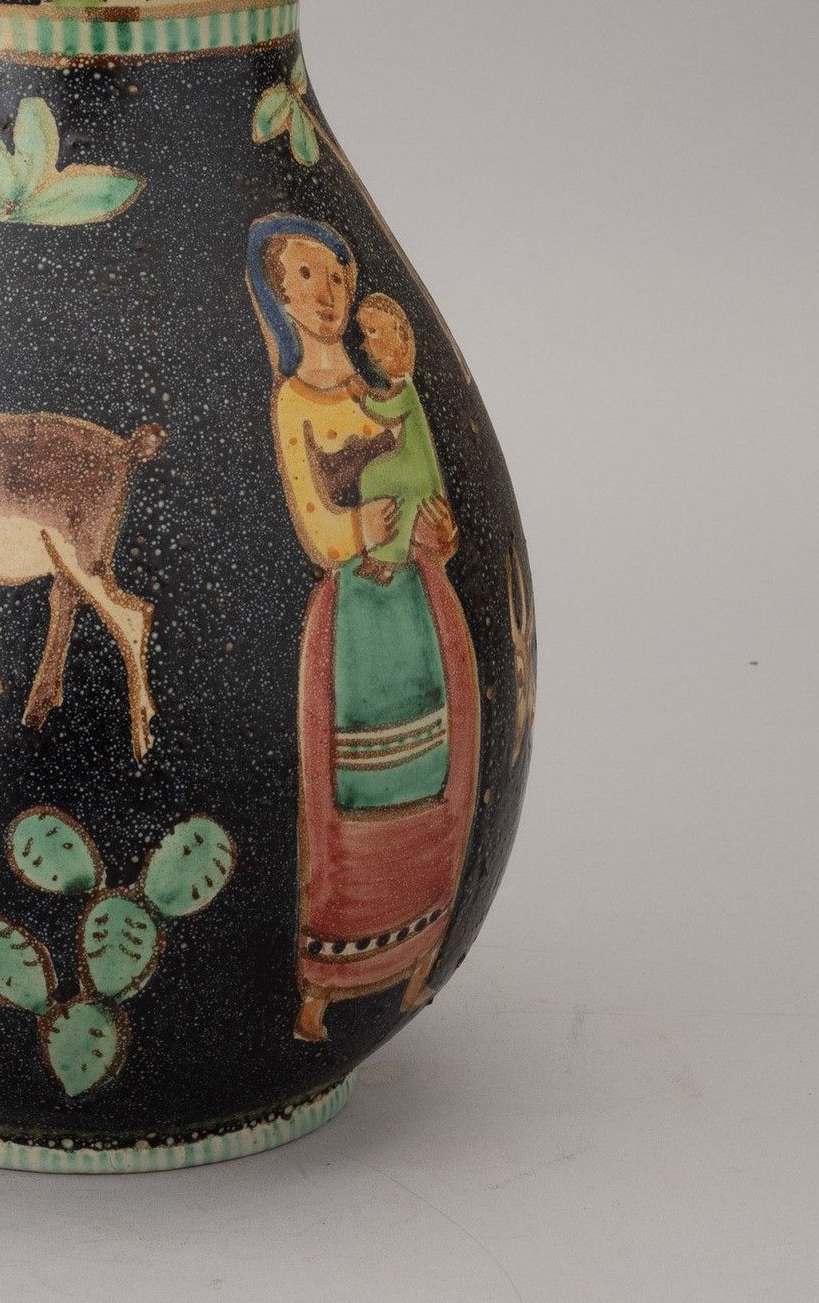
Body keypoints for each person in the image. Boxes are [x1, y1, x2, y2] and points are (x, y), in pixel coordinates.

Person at [246, 216, 482, 1042]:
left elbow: (435, 493)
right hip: (354, 620)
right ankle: (326, 982)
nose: (328, 294)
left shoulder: (387, 386)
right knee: (351, 803)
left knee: (434, 780)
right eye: (307, 279)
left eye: (338, 277)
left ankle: (416, 954)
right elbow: (316, 524)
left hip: (419, 606)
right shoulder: (293, 400)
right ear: (280, 298)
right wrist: (361, 528)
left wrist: (438, 530)